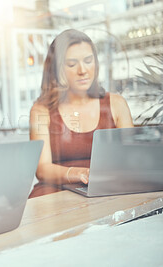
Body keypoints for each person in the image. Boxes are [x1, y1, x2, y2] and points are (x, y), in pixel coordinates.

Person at [29, 29, 134, 198]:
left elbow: (132, 157)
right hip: (55, 192)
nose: (83, 70)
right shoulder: (42, 110)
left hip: (106, 187)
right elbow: (42, 169)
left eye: (88, 60)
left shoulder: (116, 103)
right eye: (71, 64)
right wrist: (79, 173)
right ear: (56, 69)